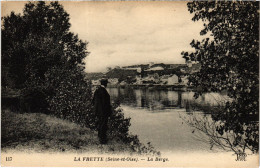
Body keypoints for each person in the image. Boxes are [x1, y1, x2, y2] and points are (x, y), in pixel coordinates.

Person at [92, 78, 112, 144]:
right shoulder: (104, 92)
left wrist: (96, 109)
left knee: (100, 124)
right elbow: (105, 104)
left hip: (97, 111)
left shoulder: (97, 91)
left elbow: (93, 101)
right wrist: (109, 112)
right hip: (103, 112)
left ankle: (100, 137)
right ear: (106, 84)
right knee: (103, 125)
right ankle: (103, 140)